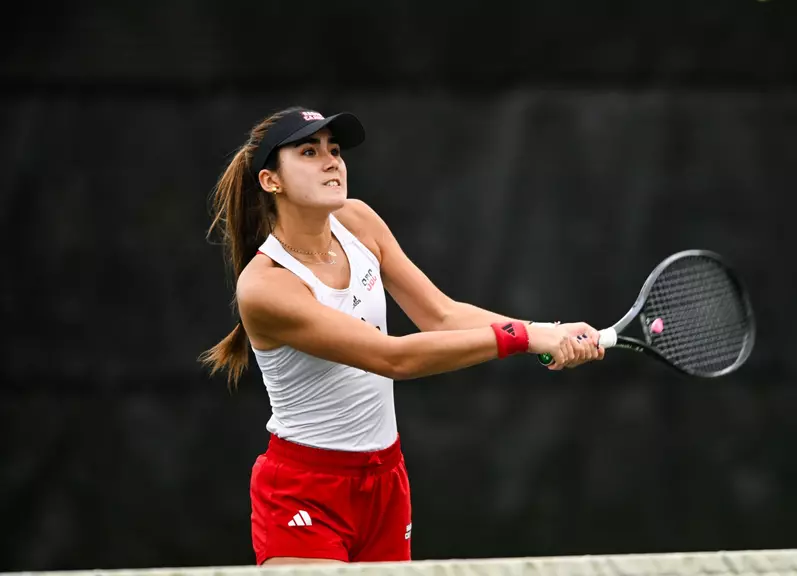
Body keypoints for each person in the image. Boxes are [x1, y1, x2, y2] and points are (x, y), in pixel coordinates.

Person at [199, 106, 604, 566]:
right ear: (271, 181)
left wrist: (546, 330)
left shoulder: (358, 221)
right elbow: (393, 358)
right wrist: (521, 337)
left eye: (335, 150)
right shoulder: (266, 286)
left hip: (386, 481)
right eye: (309, 152)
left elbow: (441, 316)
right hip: (305, 494)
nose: (331, 162)